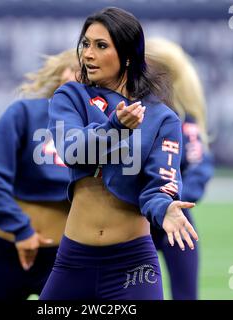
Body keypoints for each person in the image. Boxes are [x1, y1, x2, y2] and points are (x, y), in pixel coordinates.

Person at [39, 7, 198, 300]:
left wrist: (165, 208)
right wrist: (115, 127)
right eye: (86, 44)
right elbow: (73, 151)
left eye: (101, 46)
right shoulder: (70, 96)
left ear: (127, 56)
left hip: (133, 265)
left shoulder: (163, 118)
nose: (88, 54)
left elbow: (158, 185)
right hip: (74, 261)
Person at [0, 49, 78, 300]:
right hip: (7, 249)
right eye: (75, 69)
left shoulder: (106, 128)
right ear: (61, 74)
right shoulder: (24, 113)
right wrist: (21, 230)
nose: (80, 78)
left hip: (68, 258)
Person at [145, 37, 214, 300]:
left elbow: (199, 168)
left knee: (186, 295)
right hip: (135, 219)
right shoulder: (129, 111)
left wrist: (171, 203)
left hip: (176, 217)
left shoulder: (184, 118)